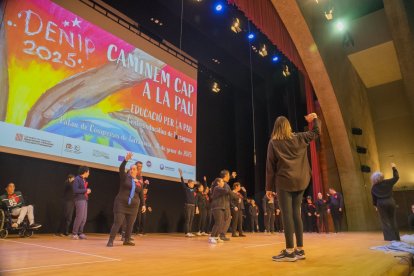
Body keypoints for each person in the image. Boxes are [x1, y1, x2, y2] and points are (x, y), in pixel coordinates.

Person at [266, 113, 320, 262]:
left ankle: (289, 252)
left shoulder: (274, 142)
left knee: (287, 215)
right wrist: (314, 119)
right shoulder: (300, 137)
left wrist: (268, 188)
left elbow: (270, 167)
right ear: (288, 126)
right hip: (301, 180)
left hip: (284, 182)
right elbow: (316, 132)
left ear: (276, 128)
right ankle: (300, 250)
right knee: (296, 213)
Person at [107, 152, 146, 247]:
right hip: (121, 204)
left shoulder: (140, 182)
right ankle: (111, 240)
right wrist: (125, 160)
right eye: (131, 169)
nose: (133, 170)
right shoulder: (125, 178)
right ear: (129, 171)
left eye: (134, 169)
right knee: (118, 222)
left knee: (130, 224)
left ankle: (127, 240)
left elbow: (141, 193)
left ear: (137, 172)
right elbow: (121, 169)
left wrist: (143, 204)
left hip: (133, 206)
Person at [371, 163, 400, 241]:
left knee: (385, 221)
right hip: (390, 201)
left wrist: (375, 206)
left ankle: (390, 238)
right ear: (382, 177)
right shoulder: (388, 182)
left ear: (374, 179)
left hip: (380, 203)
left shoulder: (373, 187)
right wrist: (394, 167)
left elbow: (374, 199)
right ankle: (397, 238)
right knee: (393, 219)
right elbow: (396, 177)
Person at [72, 166, 91, 240]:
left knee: (84, 218)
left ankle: (80, 233)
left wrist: (86, 191)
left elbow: (83, 190)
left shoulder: (84, 180)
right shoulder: (77, 179)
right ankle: (74, 233)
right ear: (85, 172)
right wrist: (85, 190)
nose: (89, 174)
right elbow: (75, 190)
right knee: (79, 217)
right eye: (88, 172)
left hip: (84, 199)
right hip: (79, 200)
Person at [208, 178, 228, 244]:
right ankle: (211, 237)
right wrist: (225, 185)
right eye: (222, 181)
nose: (223, 183)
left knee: (220, 223)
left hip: (221, 207)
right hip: (216, 207)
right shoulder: (217, 188)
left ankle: (216, 237)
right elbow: (226, 191)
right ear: (218, 183)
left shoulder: (219, 190)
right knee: (217, 223)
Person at [179, 168, 196, 237]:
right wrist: (181, 176)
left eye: (193, 183)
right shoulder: (187, 189)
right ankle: (187, 232)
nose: (192, 184)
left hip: (193, 206)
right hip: (188, 205)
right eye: (191, 183)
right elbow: (183, 183)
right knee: (188, 219)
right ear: (188, 184)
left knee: (191, 219)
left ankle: (190, 231)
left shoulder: (194, 190)